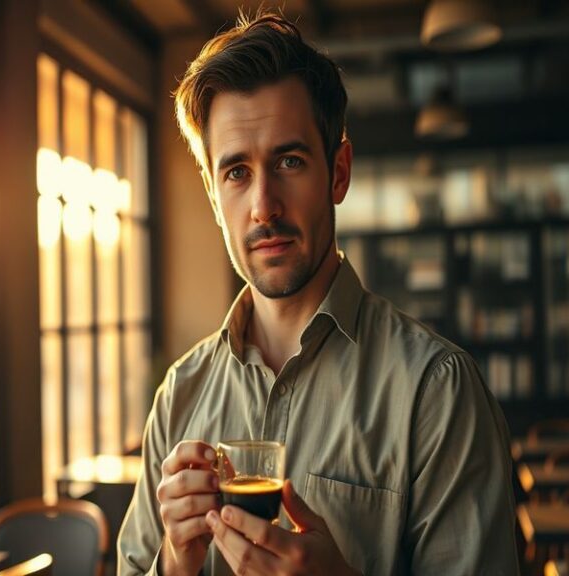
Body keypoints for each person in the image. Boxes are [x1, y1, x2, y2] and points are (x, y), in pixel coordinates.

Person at [118, 10, 519, 576]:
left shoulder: (437, 392)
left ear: (338, 172)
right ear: (212, 194)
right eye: (236, 173)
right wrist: (175, 563)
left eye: (289, 161)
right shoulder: (179, 395)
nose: (263, 207)